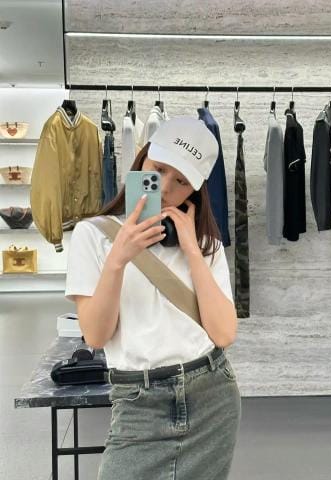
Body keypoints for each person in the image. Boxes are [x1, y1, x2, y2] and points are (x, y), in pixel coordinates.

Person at [65, 116, 241, 480]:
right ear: (142, 161)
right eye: (158, 170)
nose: (166, 187)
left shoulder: (205, 242)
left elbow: (223, 333)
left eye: (182, 182)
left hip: (211, 396)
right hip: (138, 405)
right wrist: (118, 258)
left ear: (194, 192)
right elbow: (96, 335)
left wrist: (192, 250)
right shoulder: (92, 235)